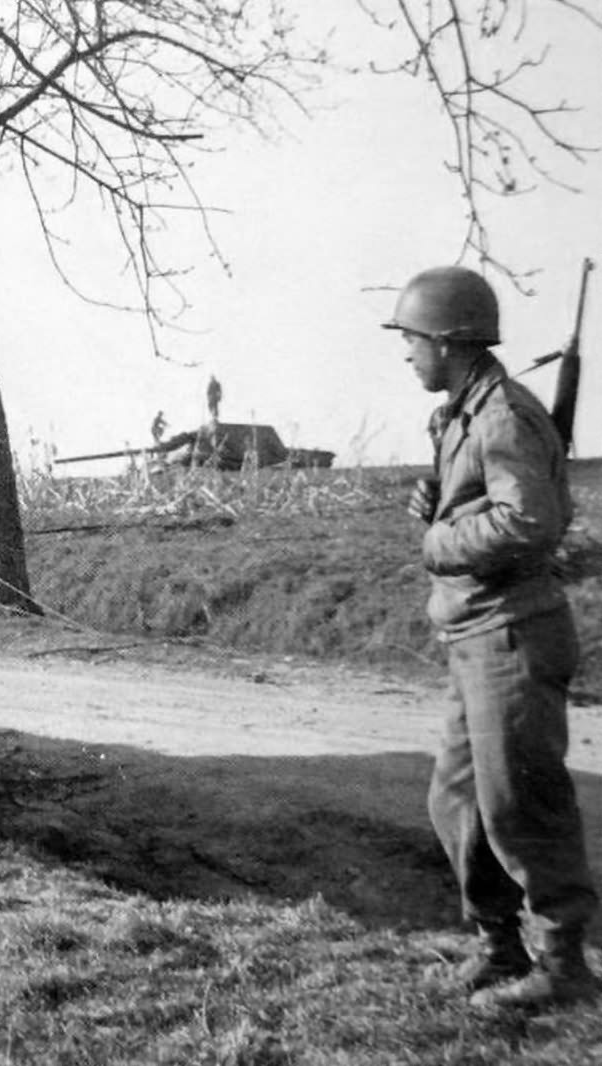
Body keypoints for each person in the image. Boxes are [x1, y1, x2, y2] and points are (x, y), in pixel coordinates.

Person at [386, 265, 598, 1010]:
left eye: (412, 339)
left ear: (447, 342)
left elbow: (530, 521)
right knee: (458, 803)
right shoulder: (463, 415)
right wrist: (438, 503)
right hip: (476, 633)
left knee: (520, 804)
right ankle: (498, 945)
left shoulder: (503, 415)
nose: (407, 352)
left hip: (513, 634)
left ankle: (563, 962)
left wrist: (440, 540)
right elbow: (485, 498)